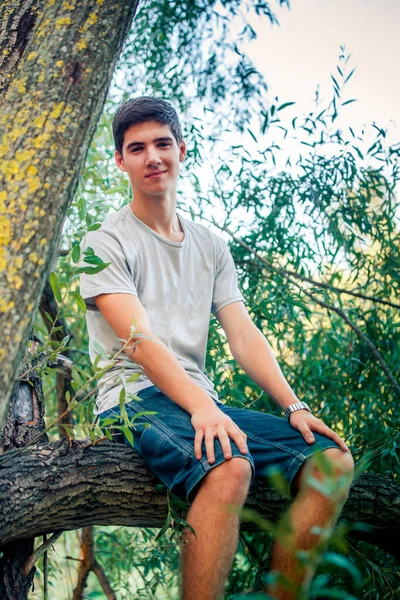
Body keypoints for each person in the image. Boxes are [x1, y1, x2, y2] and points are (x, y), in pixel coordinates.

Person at [79, 96, 354, 600]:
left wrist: (293, 405)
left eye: (162, 144)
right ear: (120, 161)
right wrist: (203, 407)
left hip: (197, 402)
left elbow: (243, 334)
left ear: (183, 150)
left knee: (333, 461)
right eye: (136, 148)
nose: (152, 157)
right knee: (230, 465)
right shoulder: (103, 242)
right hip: (130, 401)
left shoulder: (210, 245)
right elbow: (140, 342)